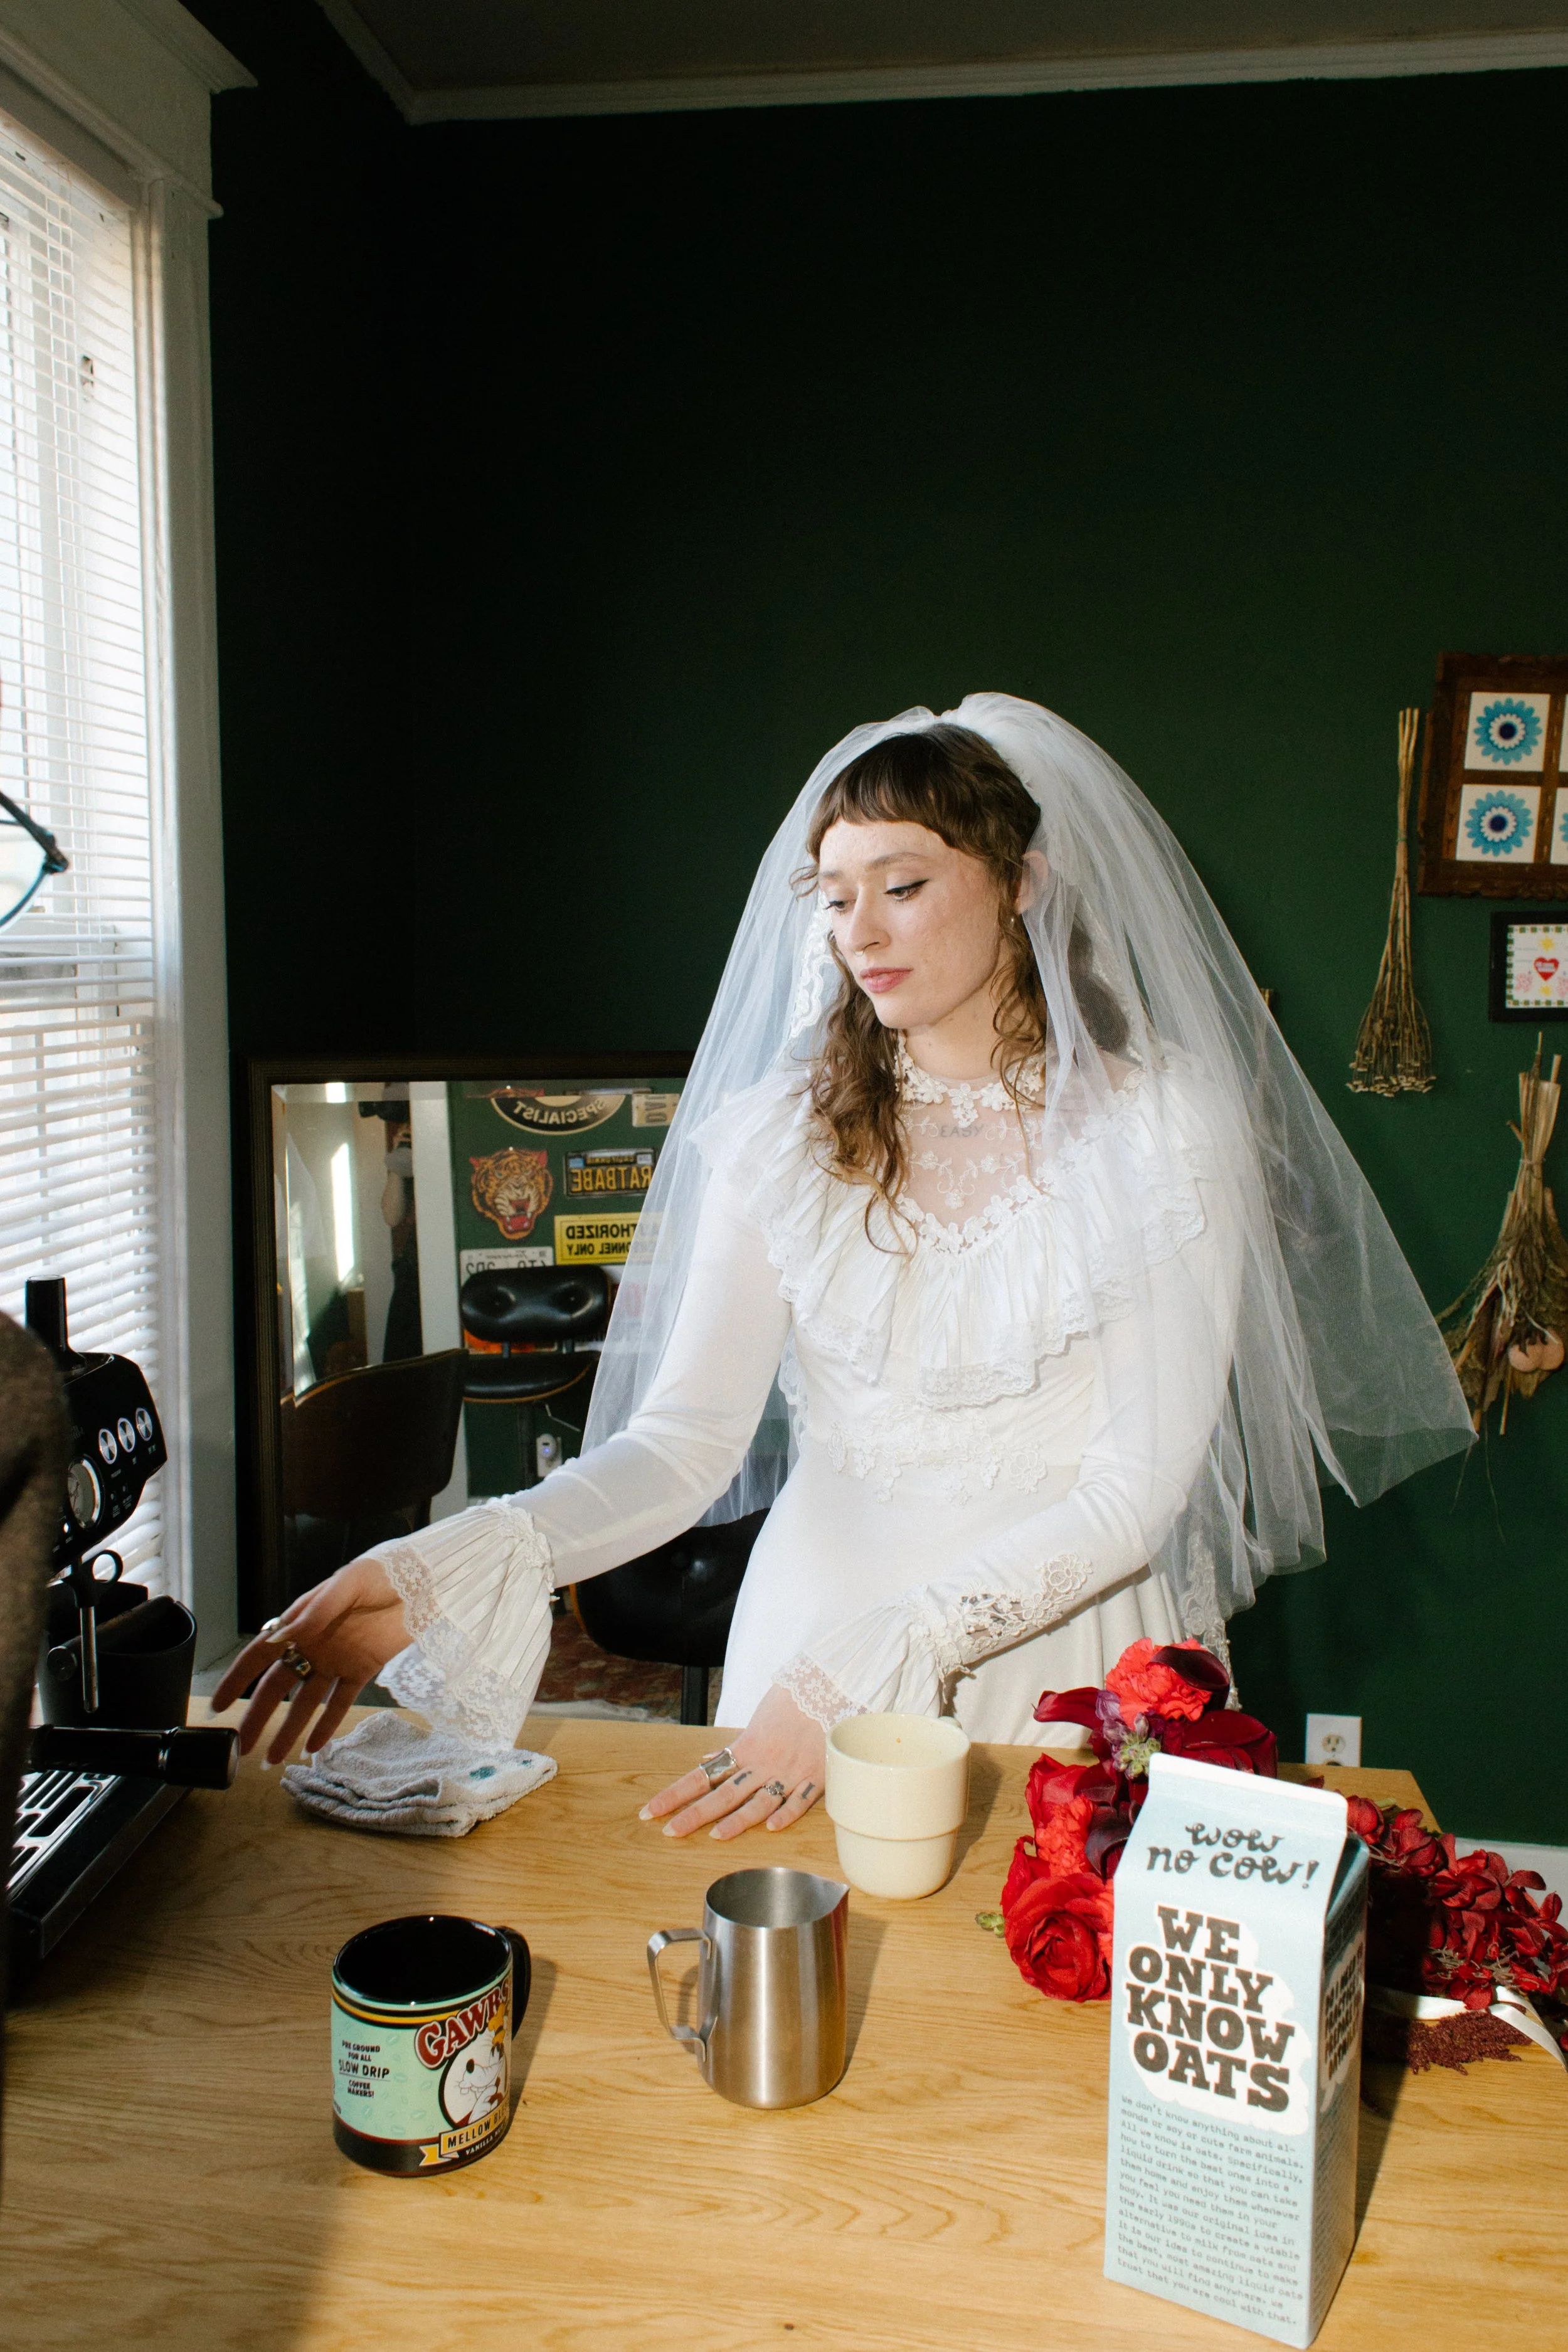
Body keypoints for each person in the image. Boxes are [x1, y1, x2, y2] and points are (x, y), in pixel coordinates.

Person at [216, 696, 1471, 1843]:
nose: (857, 933)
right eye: (831, 896)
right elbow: (681, 1447)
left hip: (1052, 1660)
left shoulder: (1159, 1129)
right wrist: (454, 1564)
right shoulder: (785, 1131)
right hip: (801, 1641)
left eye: (903, 884)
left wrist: (875, 1662)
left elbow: (1135, 1491)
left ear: (1022, 881)